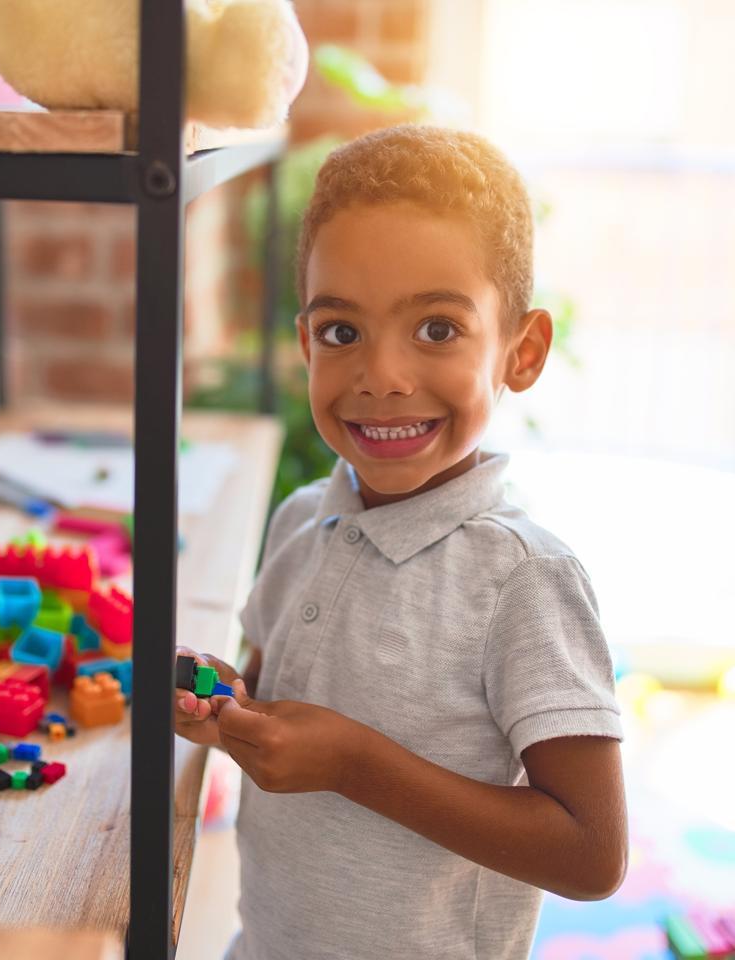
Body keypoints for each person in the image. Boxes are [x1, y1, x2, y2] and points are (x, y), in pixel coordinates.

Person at [174, 124, 628, 960]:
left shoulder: (524, 580)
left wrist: (353, 764)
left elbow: (591, 855)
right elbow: (277, 698)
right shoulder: (301, 519)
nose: (381, 376)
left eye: (436, 330)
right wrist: (226, 712)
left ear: (519, 352)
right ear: (308, 343)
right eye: (342, 333)